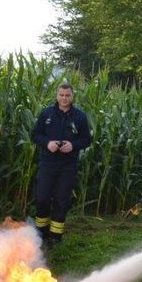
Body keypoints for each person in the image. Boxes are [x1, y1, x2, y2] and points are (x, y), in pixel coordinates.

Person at [32, 83, 92, 243]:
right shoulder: (47, 114)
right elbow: (35, 135)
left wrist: (73, 145)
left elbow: (87, 139)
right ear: (57, 95)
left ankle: (55, 236)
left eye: (67, 95)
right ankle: (41, 233)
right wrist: (47, 143)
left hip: (68, 165)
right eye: (61, 95)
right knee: (42, 198)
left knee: (61, 200)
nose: (64, 98)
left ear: (72, 96)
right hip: (47, 163)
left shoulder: (80, 116)